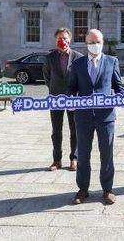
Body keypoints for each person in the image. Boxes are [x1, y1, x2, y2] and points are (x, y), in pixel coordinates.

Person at [67, 29, 124, 205]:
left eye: (98, 41)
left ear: (103, 42)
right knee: (83, 154)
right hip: (83, 117)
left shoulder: (112, 61)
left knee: (106, 154)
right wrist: (69, 98)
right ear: (86, 44)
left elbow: (119, 87)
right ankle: (82, 189)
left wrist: (120, 97)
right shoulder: (77, 64)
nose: (95, 45)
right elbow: (71, 87)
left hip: (105, 116)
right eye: (91, 42)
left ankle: (107, 190)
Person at [42, 27, 83, 172]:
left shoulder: (78, 57)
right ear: (55, 40)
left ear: (70, 40)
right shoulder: (50, 57)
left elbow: (82, 79)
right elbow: (47, 77)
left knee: (75, 130)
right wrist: (55, 90)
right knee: (56, 130)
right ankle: (57, 160)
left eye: (65, 38)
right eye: (59, 38)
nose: (62, 41)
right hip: (56, 98)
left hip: (74, 99)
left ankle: (74, 158)